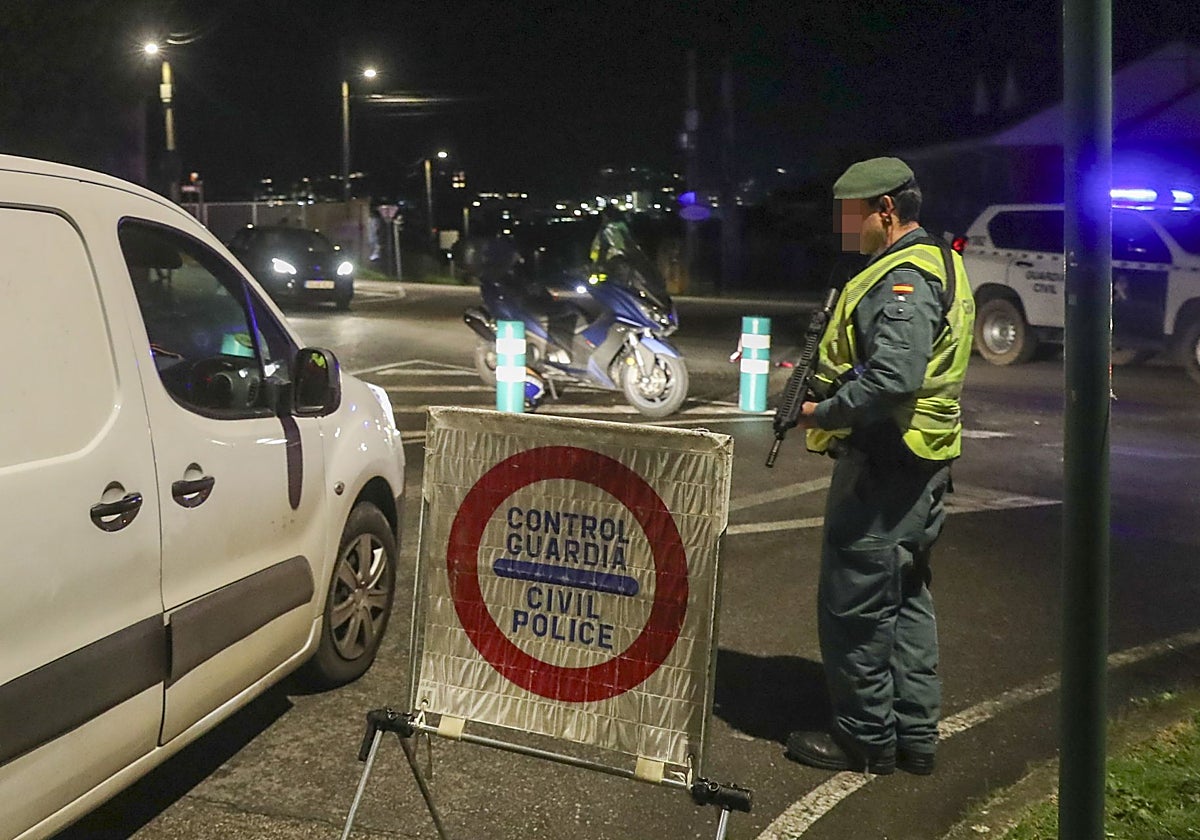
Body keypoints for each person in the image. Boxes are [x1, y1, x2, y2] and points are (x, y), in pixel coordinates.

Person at [782, 157, 975, 776]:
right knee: (906, 594)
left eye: (850, 216)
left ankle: (865, 740)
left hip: (888, 461)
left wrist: (822, 412)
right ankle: (914, 736)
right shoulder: (940, 260)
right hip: (922, 458)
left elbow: (894, 376)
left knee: (856, 604)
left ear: (885, 210)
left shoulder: (904, 278)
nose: (844, 229)